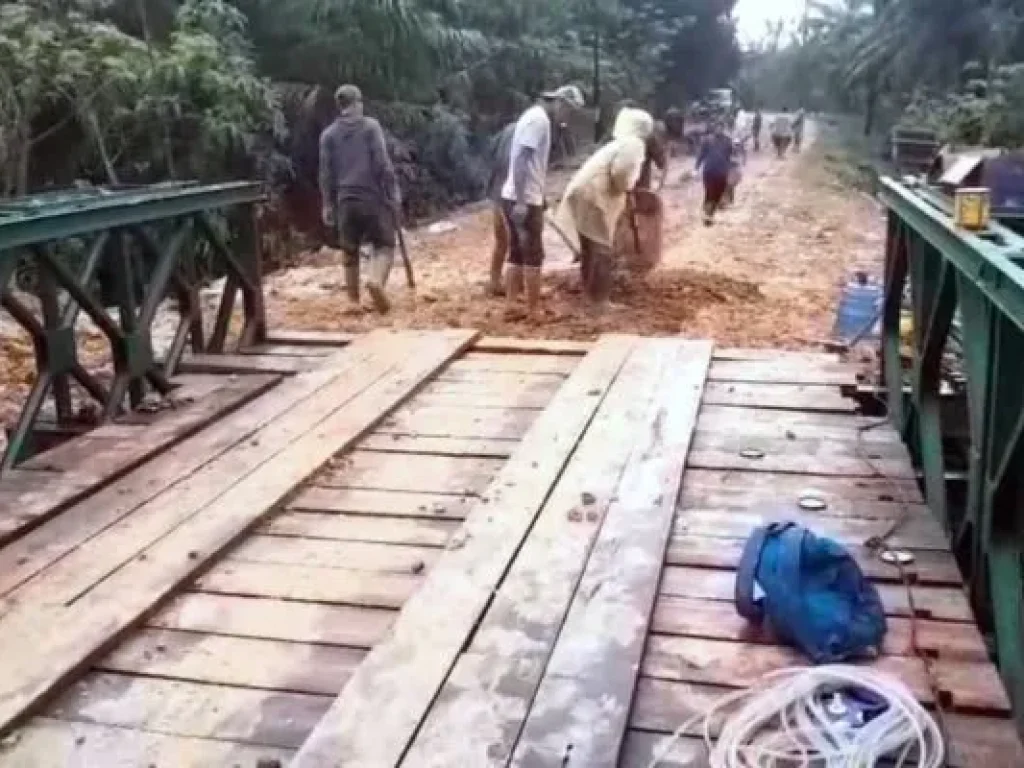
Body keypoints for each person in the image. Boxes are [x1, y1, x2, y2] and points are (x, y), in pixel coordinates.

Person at [554, 108, 655, 313]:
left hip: (583, 192)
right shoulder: (634, 145)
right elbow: (622, 174)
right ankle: (599, 302)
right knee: (601, 249)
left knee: (590, 247)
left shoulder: (618, 143)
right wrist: (628, 188)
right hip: (593, 195)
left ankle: (589, 294)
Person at [501, 85, 586, 319]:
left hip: (522, 195)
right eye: (568, 111)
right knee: (533, 253)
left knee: (517, 252)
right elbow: (521, 161)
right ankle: (533, 309)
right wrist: (522, 200)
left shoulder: (533, 117)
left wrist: (538, 195)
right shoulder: (539, 121)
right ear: (561, 103)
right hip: (523, 198)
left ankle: (512, 305)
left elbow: (528, 163)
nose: (567, 117)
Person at [319, 84, 400, 314]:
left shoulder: (328, 135)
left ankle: (353, 301)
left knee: (349, 250)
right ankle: (375, 281)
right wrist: (392, 193)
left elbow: (325, 173)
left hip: (345, 200)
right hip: (372, 197)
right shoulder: (370, 127)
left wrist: (327, 204)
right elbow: (382, 163)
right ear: (356, 104)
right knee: (384, 245)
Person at [485, 122, 516, 297]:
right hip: (507, 191)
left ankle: (495, 281)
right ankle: (513, 284)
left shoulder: (508, 129)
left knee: (502, 240)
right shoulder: (522, 133)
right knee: (515, 240)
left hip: (497, 189)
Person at [696, 122, 734, 226]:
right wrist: (696, 168)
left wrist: (732, 170)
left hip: (722, 172)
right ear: (714, 128)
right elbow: (701, 155)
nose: (719, 129)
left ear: (723, 128)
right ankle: (708, 216)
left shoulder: (727, 141)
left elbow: (731, 156)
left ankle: (709, 212)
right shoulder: (707, 140)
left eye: (721, 127)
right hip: (709, 171)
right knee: (709, 193)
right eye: (717, 127)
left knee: (718, 195)